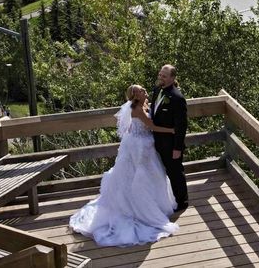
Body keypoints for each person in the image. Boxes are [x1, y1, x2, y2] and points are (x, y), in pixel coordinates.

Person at [69, 85, 179, 246]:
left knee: (150, 173)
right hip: (139, 145)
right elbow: (152, 126)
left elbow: (132, 125)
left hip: (142, 142)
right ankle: (137, 208)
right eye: (141, 90)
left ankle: (155, 203)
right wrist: (171, 131)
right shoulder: (136, 108)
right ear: (135, 95)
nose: (144, 91)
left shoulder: (144, 104)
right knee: (138, 176)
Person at [150, 65, 189, 211]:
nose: (161, 77)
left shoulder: (177, 98)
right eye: (160, 74)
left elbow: (182, 126)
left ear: (172, 78)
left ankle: (182, 201)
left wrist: (177, 148)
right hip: (157, 142)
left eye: (164, 76)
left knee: (175, 173)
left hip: (171, 144)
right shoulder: (156, 90)